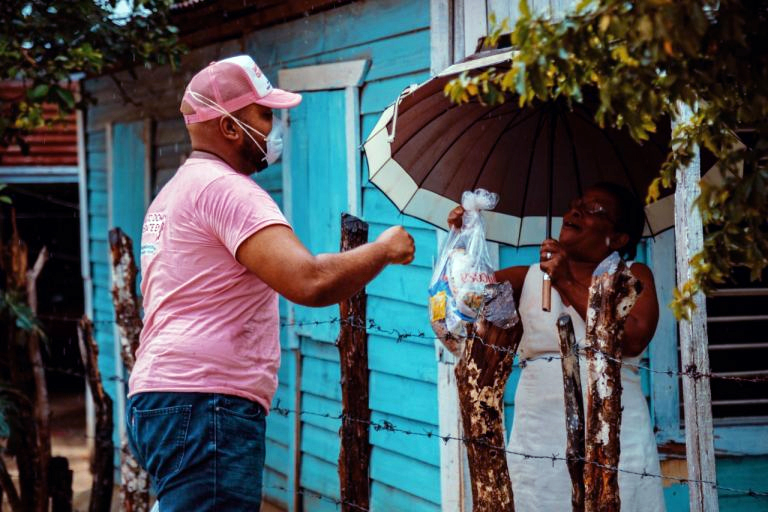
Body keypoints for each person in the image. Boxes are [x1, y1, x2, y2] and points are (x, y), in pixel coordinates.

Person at [125, 55, 415, 511]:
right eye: (265, 114)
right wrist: (383, 249)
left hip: (164, 398)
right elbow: (309, 281)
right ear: (229, 128)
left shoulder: (175, 192)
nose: (277, 126)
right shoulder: (227, 191)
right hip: (207, 406)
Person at [448, 183, 666, 511]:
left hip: (614, 434)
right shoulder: (527, 278)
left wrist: (566, 280)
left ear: (619, 238)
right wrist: (463, 239)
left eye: (594, 210)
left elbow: (634, 337)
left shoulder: (631, 276)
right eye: (575, 205)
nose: (575, 212)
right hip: (540, 432)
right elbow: (462, 302)